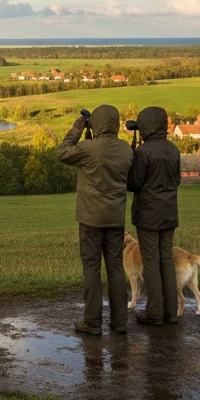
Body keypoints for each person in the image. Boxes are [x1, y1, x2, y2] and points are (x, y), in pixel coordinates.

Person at [57, 105, 133, 336]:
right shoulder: (126, 150)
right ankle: (120, 322)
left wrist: (76, 129)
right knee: (116, 269)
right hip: (116, 219)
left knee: (91, 268)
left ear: (96, 124)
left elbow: (62, 153)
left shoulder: (88, 149)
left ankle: (92, 322)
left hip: (90, 220)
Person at [127, 105, 181, 325]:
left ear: (146, 128)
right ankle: (170, 311)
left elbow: (134, 184)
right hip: (169, 212)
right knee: (166, 259)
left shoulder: (143, 152)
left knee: (151, 262)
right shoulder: (173, 150)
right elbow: (177, 180)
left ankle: (154, 313)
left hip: (148, 215)